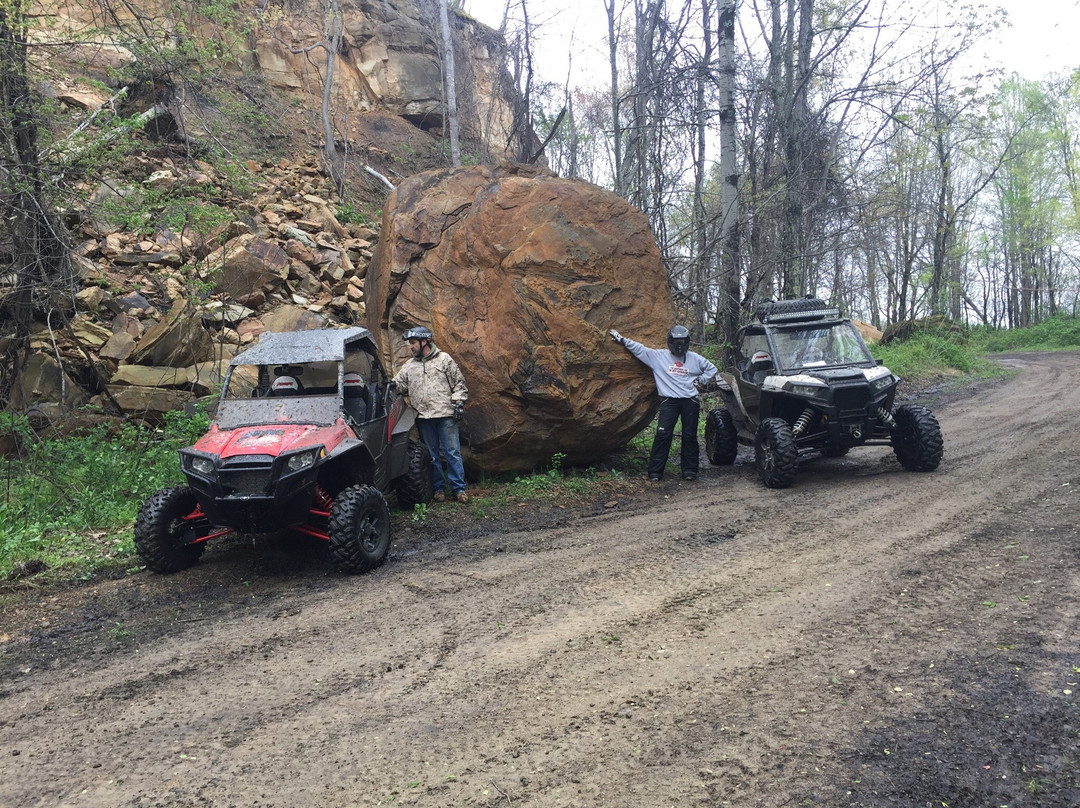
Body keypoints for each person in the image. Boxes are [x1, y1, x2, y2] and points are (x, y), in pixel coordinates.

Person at [610, 324, 718, 481]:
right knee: (663, 434)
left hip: (690, 401)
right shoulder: (658, 357)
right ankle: (655, 472)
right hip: (669, 401)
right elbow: (640, 350)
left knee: (689, 436)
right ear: (670, 342)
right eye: (676, 342)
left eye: (682, 342)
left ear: (687, 342)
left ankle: (689, 471)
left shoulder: (695, 358)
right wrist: (622, 339)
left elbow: (712, 368)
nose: (679, 346)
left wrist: (701, 380)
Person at [391, 326, 470, 503]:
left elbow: (459, 383)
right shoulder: (409, 366)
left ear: (425, 341)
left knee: (452, 452)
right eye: (410, 343)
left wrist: (458, 403)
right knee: (432, 455)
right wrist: (389, 385)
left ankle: (459, 489)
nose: (410, 347)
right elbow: (399, 384)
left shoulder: (444, 360)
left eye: (413, 343)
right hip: (423, 417)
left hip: (445, 415)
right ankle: (439, 489)